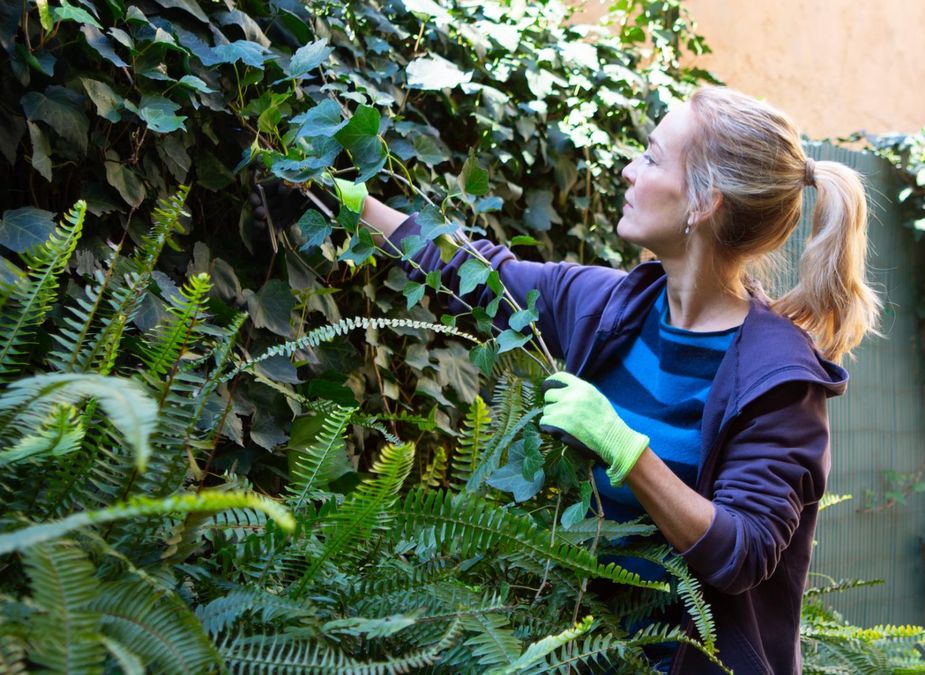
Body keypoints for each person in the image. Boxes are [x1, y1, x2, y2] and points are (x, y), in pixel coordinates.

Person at [351, 85, 881, 674]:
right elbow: (471, 271)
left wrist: (623, 447)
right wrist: (348, 203)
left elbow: (745, 551)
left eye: (652, 157)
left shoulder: (778, 379)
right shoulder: (607, 308)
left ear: (704, 203)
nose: (629, 171)